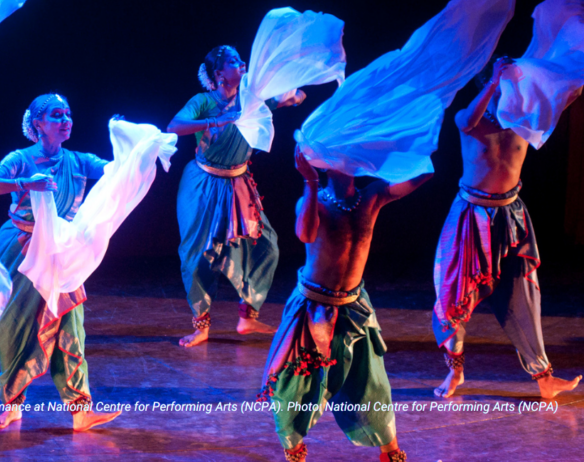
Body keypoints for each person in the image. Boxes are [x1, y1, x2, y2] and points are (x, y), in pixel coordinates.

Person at [257, 149, 430, 462]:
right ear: (325, 163)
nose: (350, 159)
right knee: (293, 385)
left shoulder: (372, 196)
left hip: (354, 309)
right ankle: (294, 451)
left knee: (370, 385)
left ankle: (390, 452)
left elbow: (424, 174)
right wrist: (310, 182)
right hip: (312, 310)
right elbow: (305, 233)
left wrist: (409, 139)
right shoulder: (312, 200)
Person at [432, 57, 581, 399]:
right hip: (471, 216)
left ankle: (544, 379)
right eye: (505, 85)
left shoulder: (526, 121)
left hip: (511, 216)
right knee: (453, 297)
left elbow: (567, 94)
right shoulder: (469, 118)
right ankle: (455, 372)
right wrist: (495, 82)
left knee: (523, 296)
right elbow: (466, 120)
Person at [0, 93, 121, 431]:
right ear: (38, 123)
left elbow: (116, 171)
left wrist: (137, 149)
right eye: (56, 115)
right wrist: (24, 182)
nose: (65, 120)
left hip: (61, 250)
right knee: (14, 326)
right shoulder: (21, 159)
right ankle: (12, 405)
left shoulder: (78, 161)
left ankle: (80, 410)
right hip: (21, 247)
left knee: (71, 326)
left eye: (68, 114)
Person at [166, 45, 306, 347]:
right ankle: (201, 325)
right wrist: (217, 121)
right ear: (219, 73)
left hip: (238, 182)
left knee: (266, 246)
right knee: (198, 254)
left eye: (241, 59)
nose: (242, 63)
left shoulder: (252, 98)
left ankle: (248, 316)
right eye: (233, 61)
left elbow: (295, 95)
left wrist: (291, 90)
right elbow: (174, 126)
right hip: (202, 183)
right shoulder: (204, 102)